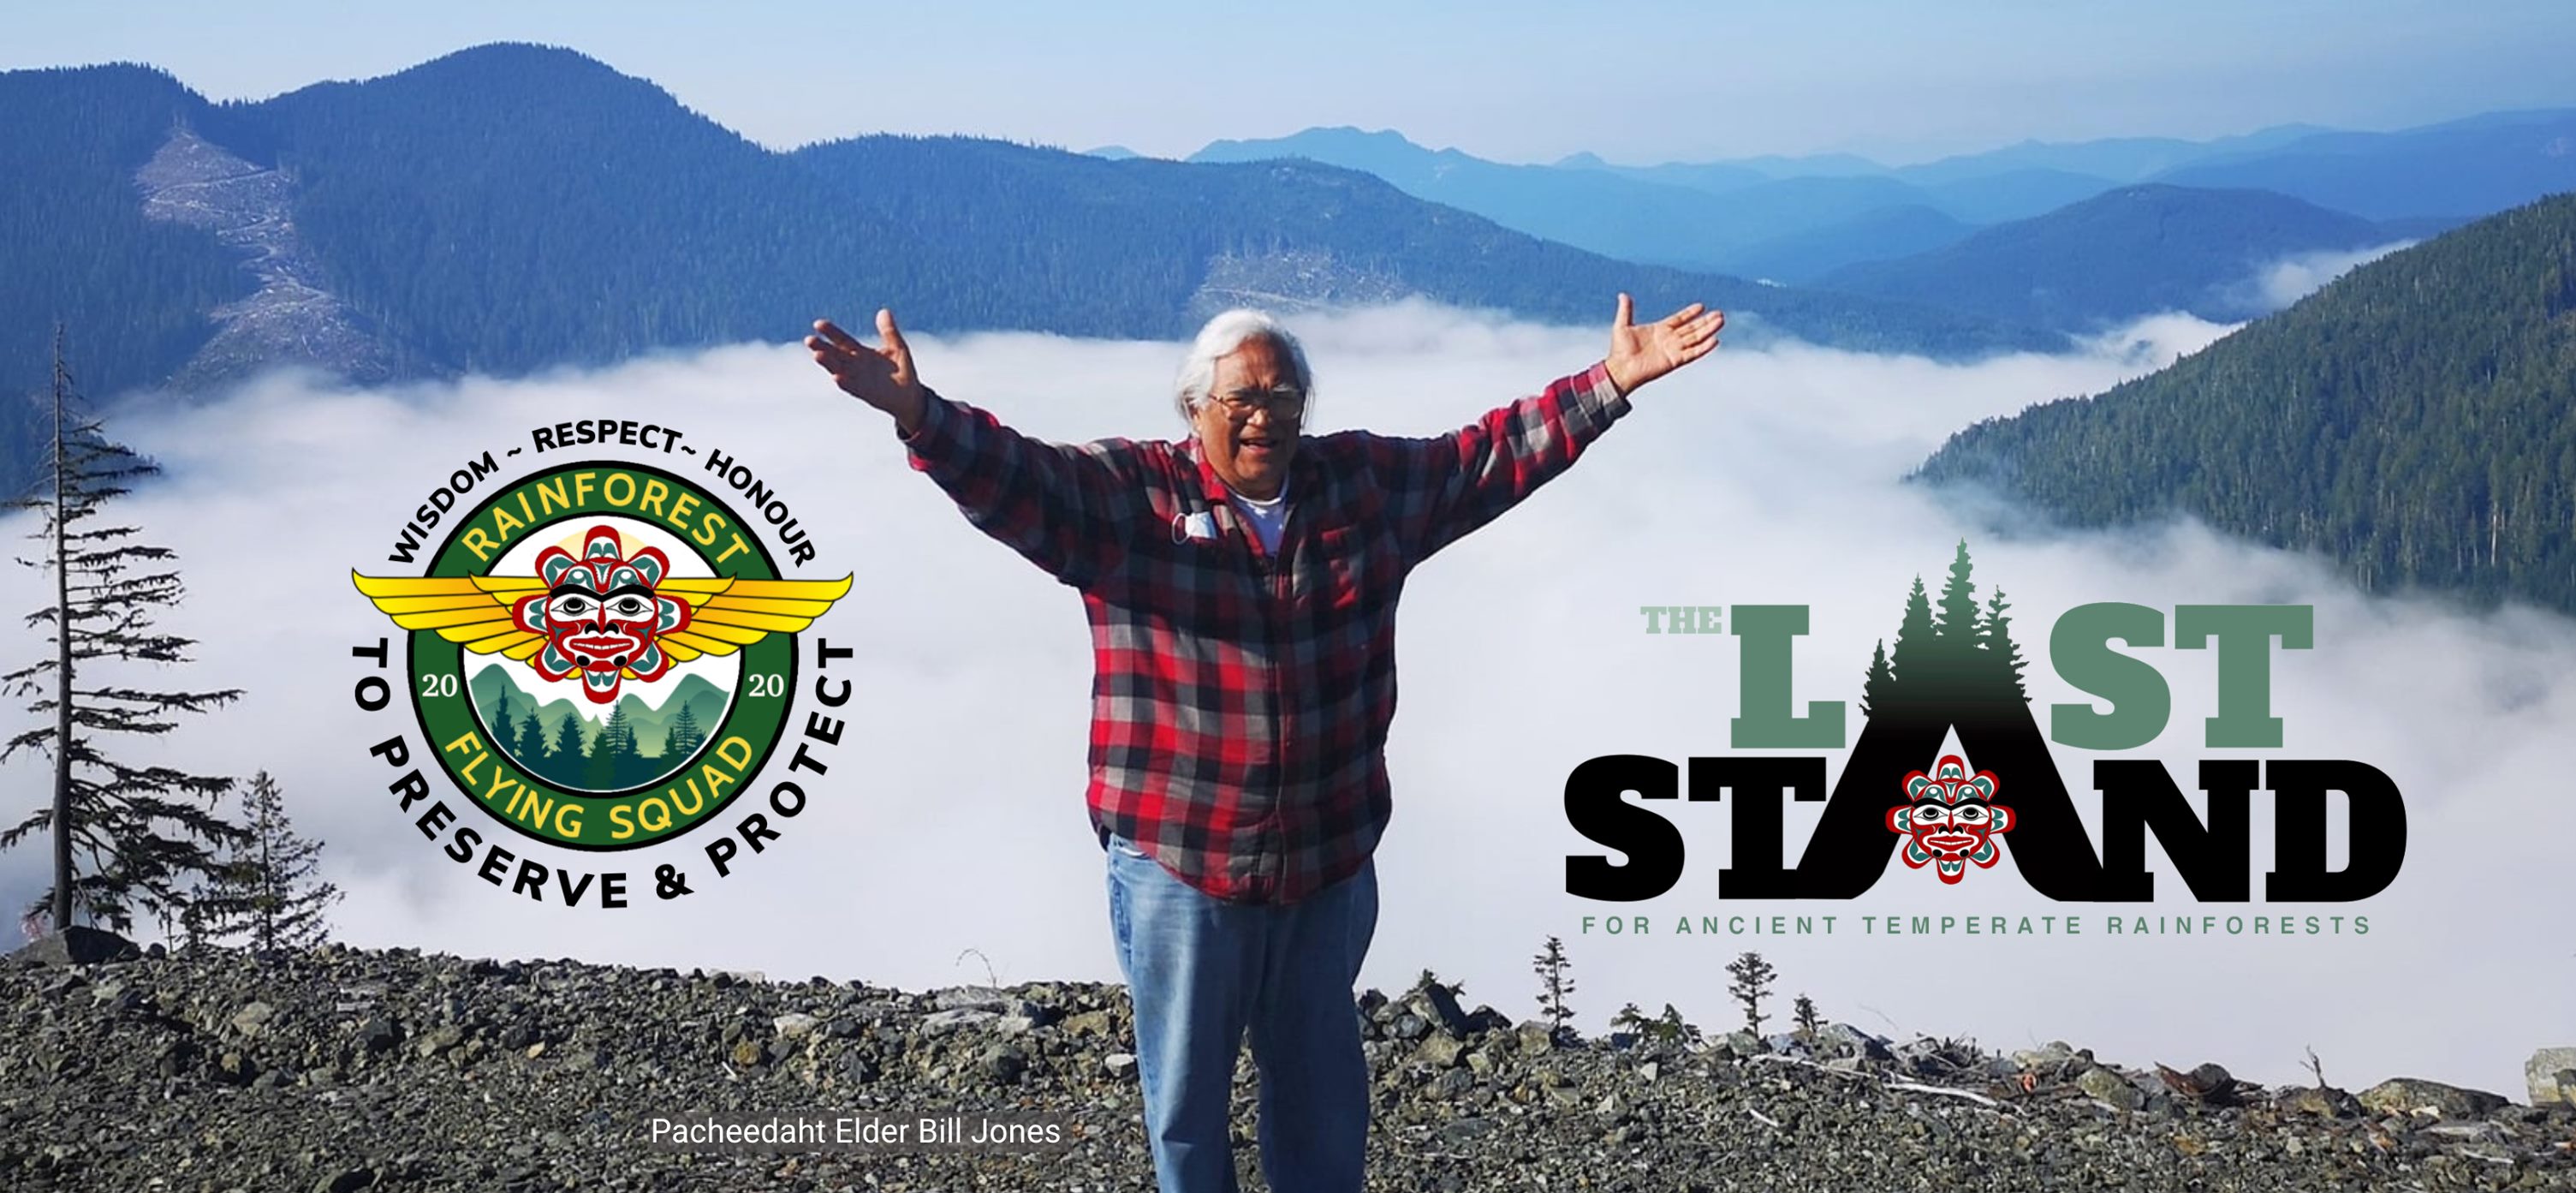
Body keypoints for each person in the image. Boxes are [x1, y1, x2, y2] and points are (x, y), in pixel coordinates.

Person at [806, 295, 1723, 1193]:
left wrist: (1611, 381)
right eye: (1239, 399)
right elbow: (1020, 477)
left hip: (1324, 864)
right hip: (1180, 862)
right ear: (1194, 408)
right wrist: (921, 417)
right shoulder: (1135, 498)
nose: (1261, 417)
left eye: (1281, 399)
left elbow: (1484, 458)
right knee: (1187, 1108)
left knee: (1322, 1100)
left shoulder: (1359, 489)